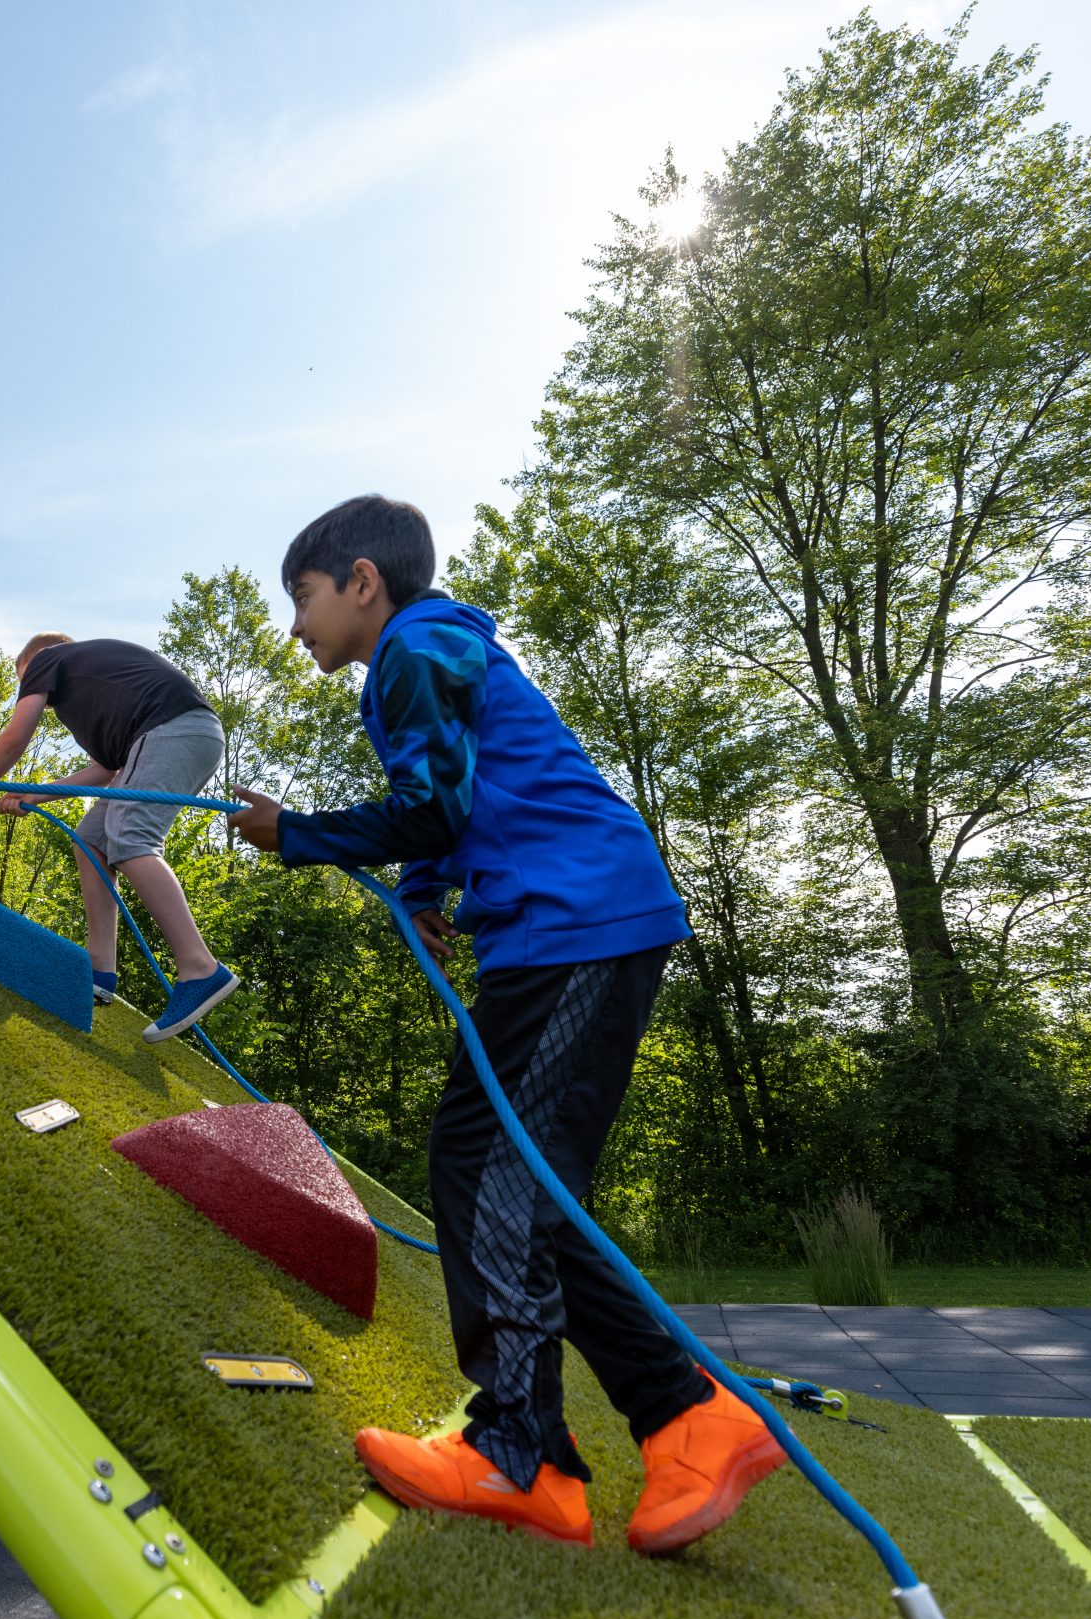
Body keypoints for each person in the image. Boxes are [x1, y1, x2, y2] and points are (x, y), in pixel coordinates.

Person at [230, 495, 783, 1555]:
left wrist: (294, 832)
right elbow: (458, 796)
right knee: (522, 1187)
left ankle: (520, 1455)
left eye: (300, 598)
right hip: (563, 928)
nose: (295, 625)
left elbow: (432, 801)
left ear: (360, 581)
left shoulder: (414, 645)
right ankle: (687, 1419)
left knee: (488, 1170)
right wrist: (432, 887)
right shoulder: (422, 658)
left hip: (580, 921)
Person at [0, 633, 238, 1041]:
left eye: (28, 682)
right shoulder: (95, 700)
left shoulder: (49, 657)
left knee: (131, 837)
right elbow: (104, 772)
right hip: (173, 738)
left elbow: (16, 736)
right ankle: (99, 969)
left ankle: (200, 966)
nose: (36, 694)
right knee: (92, 838)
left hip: (173, 731)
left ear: (35, 661)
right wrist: (34, 793)